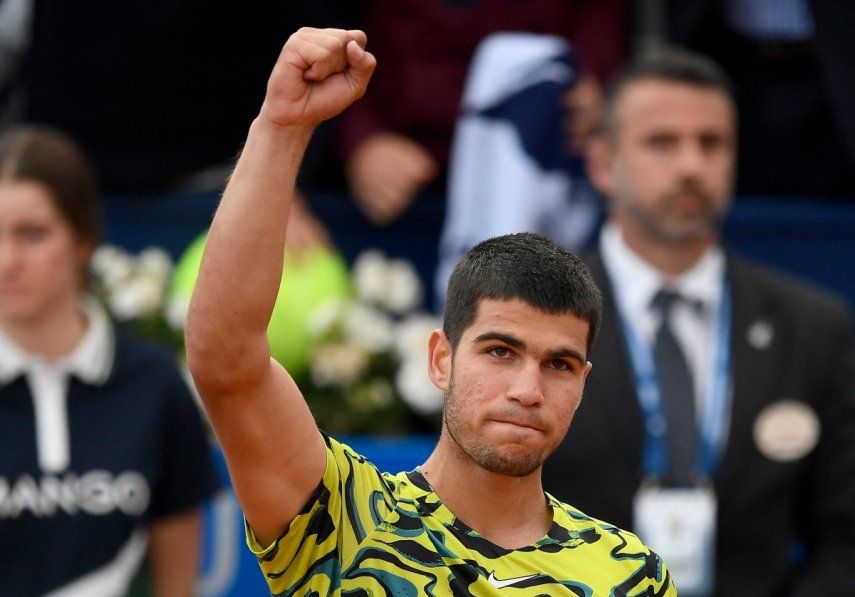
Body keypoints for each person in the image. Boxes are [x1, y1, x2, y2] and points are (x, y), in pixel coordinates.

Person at [185, 28, 676, 595]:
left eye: (559, 364)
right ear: (440, 359)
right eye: (500, 351)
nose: (527, 389)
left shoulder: (632, 575)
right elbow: (224, 358)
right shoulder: (346, 518)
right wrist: (282, 126)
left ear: (583, 383)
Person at [541, 48, 855, 595]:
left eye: (712, 143)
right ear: (600, 162)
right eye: (662, 142)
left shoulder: (815, 327)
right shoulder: (538, 316)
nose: (691, 165)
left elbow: (846, 535)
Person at [0, 127, 220, 596]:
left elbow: (177, 587)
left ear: (84, 240)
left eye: (32, 235)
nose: (6, 261)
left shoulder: (154, 384)